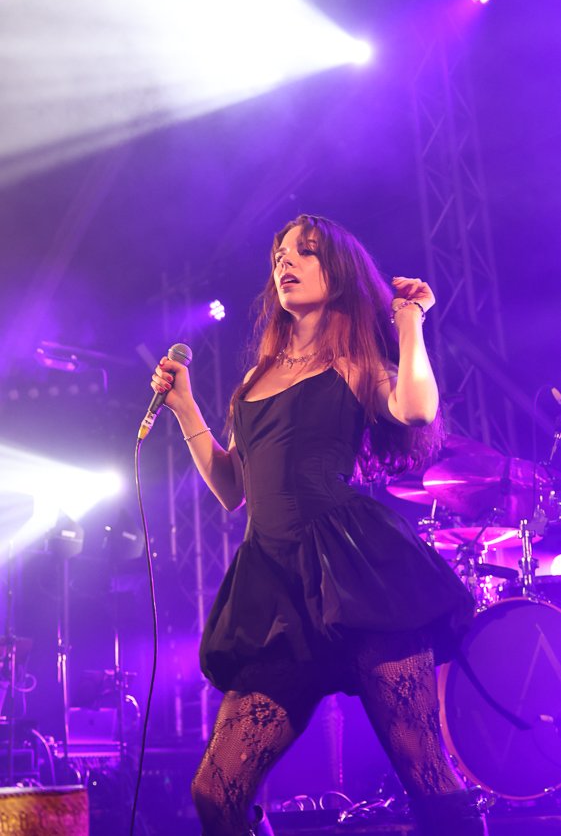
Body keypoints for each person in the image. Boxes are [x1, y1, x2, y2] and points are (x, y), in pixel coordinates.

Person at [151, 214, 486, 836]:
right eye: (280, 253)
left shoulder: (354, 363)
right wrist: (186, 407)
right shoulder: (252, 380)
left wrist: (409, 319)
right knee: (214, 793)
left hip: (357, 573)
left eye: (304, 252)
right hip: (275, 589)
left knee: (427, 774)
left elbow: (417, 408)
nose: (286, 261)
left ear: (338, 271)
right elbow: (232, 490)